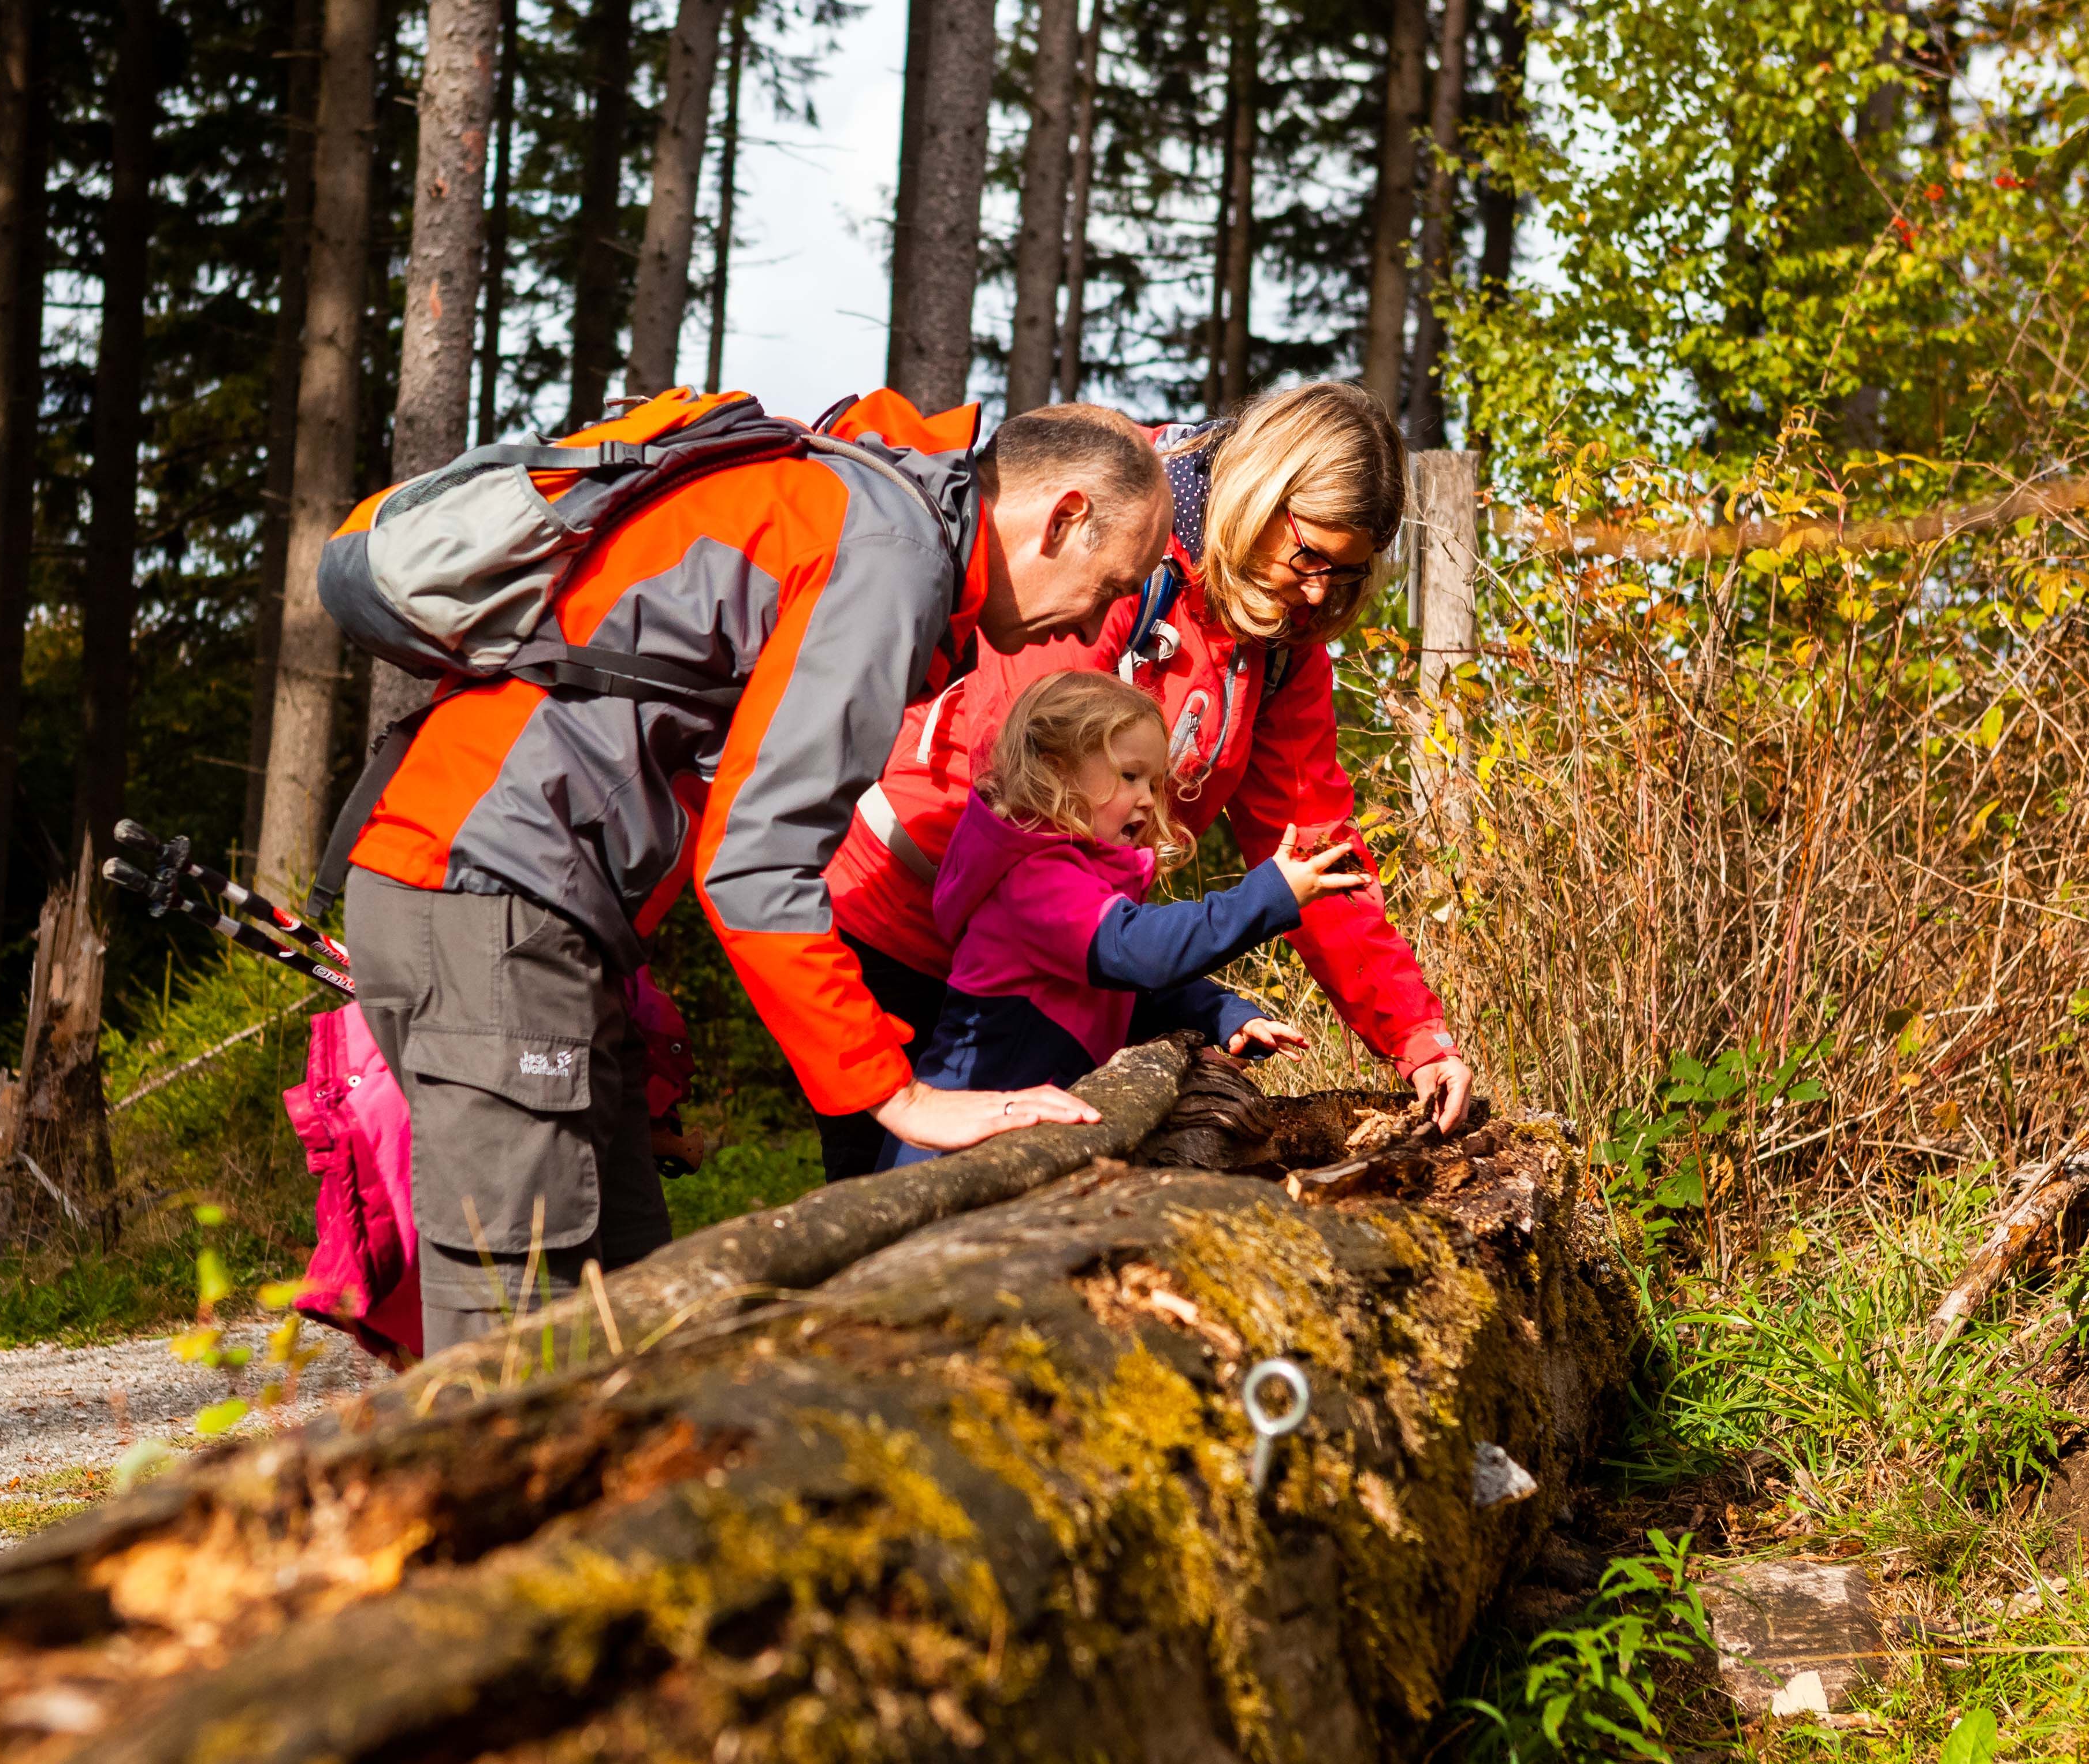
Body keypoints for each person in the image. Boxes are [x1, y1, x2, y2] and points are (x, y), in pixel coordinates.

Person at [338, 390, 1171, 1352]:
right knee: (526, 1326)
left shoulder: (873, 514)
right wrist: (896, 1094)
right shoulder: (891, 553)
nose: (1099, 618)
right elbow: (758, 856)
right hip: (486, 895)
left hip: (533, 910)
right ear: (1064, 515)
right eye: (1115, 583)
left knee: (636, 1305)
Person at [820, 381, 1473, 1181]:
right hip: (903, 927)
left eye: (1345, 576)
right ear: (1262, 491)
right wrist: (1234, 918)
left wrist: (1414, 1033)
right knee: (892, 1213)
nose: (1316, 593)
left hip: (1056, 969)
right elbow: (1024, 777)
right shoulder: (1122, 539)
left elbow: (1317, 847)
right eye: (1310, 557)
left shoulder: (1283, 645)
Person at [887, 672, 1367, 1167]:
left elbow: (1135, 991)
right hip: (954, 1148)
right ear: (1057, 771)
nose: (1147, 797)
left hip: (1016, 1139)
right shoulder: (1034, 879)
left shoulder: (1082, 878)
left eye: (1155, 782)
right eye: (1130, 775)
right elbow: (1140, 954)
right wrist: (1268, 895)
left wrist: (1226, 1015)